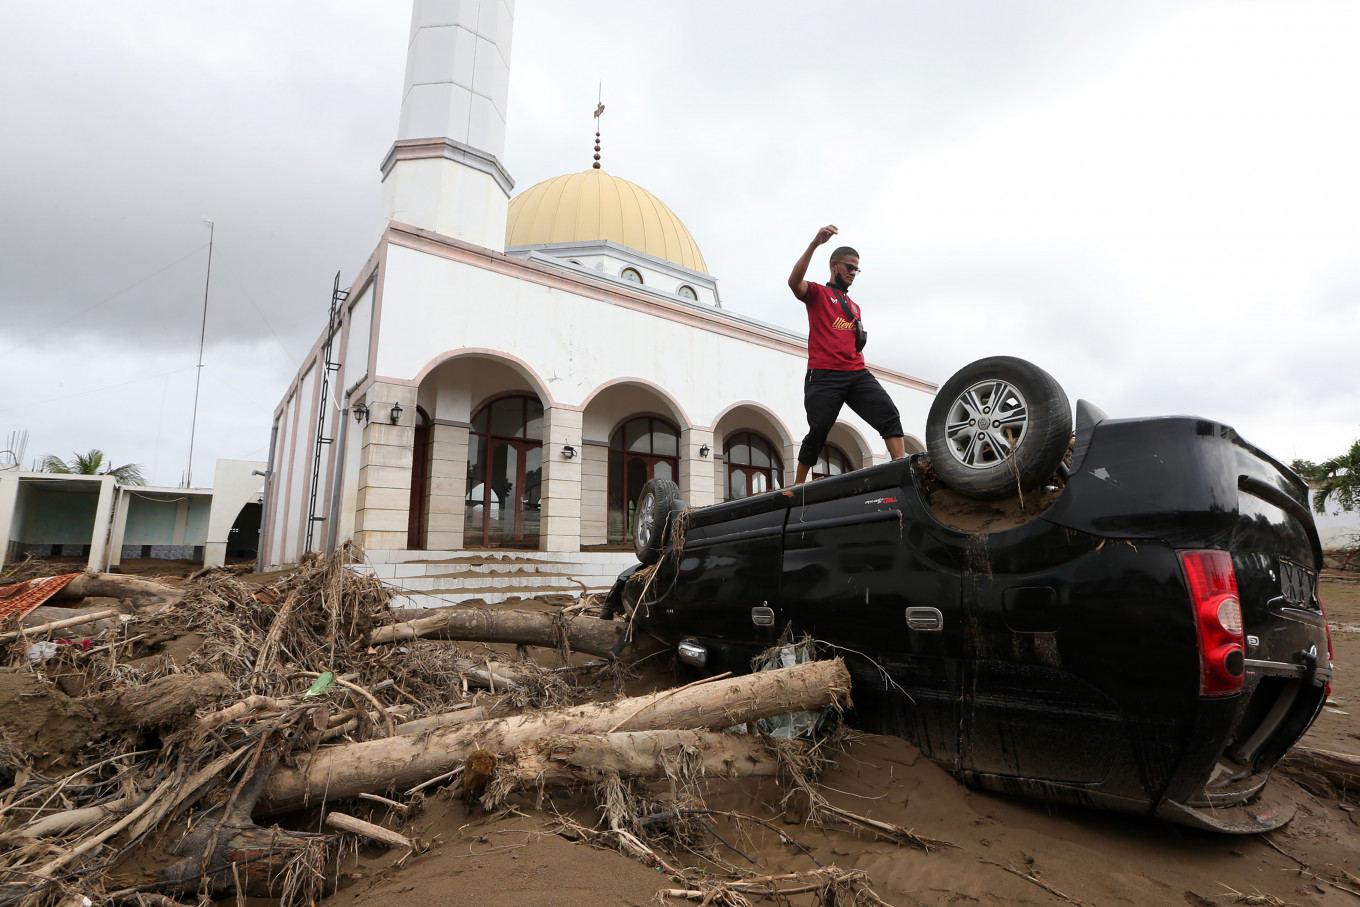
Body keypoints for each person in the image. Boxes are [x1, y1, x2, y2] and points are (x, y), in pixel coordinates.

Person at [788, 224, 906, 484]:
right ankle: (798, 486)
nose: (854, 272)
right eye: (849, 267)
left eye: (857, 269)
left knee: (888, 413)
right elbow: (794, 283)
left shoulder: (854, 306)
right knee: (819, 430)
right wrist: (815, 244)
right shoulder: (818, 294)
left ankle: (902, 468)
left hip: (856, 373)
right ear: (834, 266)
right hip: (824, 375)